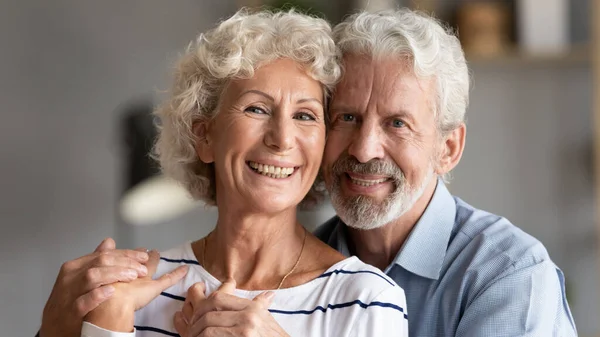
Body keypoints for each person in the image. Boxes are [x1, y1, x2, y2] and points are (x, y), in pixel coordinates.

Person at [42, 9, 409, 337]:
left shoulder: (367, 300)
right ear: (204, 136)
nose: (282, 139)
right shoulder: (128, 289)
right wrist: (106, 322)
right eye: (256, 109)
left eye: (305, 115)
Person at [313, 8, 578, 337]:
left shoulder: (508, 273)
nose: (364, 150)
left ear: (448, 148)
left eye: (397, 123)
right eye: (347, 118)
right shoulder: (296, 263)